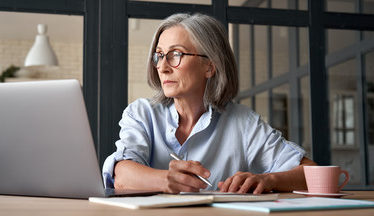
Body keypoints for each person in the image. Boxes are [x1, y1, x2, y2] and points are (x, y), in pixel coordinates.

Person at [102, 13, 317, 194]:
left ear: (210, 67)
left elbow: (313, 173)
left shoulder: (243, 122)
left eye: (175, 54)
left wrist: (268, 180)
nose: (163, 67)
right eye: (159, 56)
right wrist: (168, 180)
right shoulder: (141, 113)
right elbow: (121, 175)